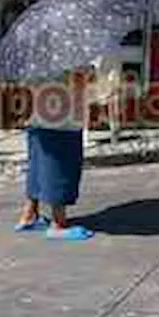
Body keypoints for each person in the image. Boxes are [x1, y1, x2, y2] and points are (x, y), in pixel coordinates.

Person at [16, 69, 92, 241]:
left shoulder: (36, 59)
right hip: (62, 121)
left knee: (37, 165)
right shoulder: (69, 58)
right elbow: (78, 84)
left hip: (38, 117)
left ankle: (29, 214)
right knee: (60, 169)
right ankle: (58, 223)